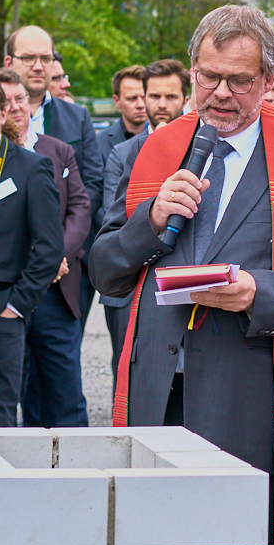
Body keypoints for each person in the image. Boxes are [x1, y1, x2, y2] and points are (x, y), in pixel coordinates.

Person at [89, 4, 274, 545]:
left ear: (269, 81)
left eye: (238, 81)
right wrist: (149, 221)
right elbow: (104, 270)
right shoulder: (154, 150)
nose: (219, 93)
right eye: (207, 77)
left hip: (250, 390)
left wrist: (258, 293)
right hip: (154, 390)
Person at [0, 68, 91, 428]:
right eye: (7, 101)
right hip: (3, 292)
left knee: (64, 388)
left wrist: (57, 258)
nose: (16, 107)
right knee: (2, 390)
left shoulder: (57, 150)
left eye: (21, 98)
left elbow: (79, 206)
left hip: (54, 290)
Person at [0, 74, 64, 427]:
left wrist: (16, 308)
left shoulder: (31, 167)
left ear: (4, 114)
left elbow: (49, 249)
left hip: (0, 311)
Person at [4, 26, 103, 330]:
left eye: (45, 58)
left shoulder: (77, 117)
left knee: (61, 376)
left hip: (64, 273)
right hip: (7, 271)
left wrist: (56, 253)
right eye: (29, 57)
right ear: (9, 62)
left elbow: (91, 188)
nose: (38, 66)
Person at [100, 59, 190, 379]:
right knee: (128, 373)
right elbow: (113, 215)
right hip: (131, 281)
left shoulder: (203, 148)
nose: (161, 105)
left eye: (171, 97)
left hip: (184, 280)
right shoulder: (124, 153)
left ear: (185, 98)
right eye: (154, 96)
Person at [99, 65, 149, 155]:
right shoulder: (99, 143)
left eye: (144, 97)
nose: (140, 105)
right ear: (117, 101)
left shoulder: (170, 137)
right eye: (132, 98)